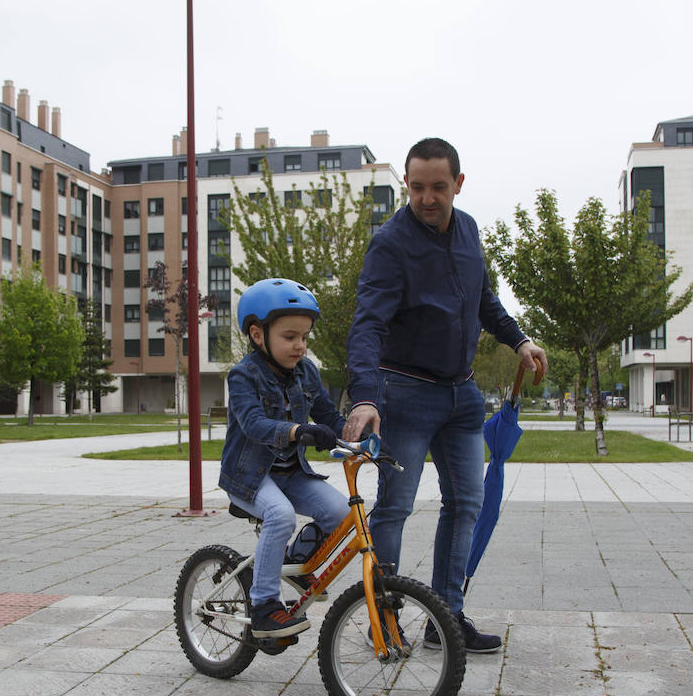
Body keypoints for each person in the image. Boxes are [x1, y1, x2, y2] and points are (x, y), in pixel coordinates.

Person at [344, 137, 547, 653]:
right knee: (396, 508)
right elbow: (367, 324)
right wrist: (365, 397)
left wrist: (519, 340)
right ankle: (383, 619)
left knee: (466, 504)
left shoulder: (469, 229)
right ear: (407, 185)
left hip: (461, 395)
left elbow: (482, 299)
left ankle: (446, 618)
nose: (427, 198)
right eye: (416, 187)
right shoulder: (390, 244)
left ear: (458, 183)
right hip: (404, 392)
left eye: (438, 187)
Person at [219, 278, 350, 639]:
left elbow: (327, 414)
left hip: (290, 473)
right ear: (258, 335)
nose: (300, 346)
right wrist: (297, 431)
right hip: (248, 477)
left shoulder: (306, 371)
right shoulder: (243, 375)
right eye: (290, 337)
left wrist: (357, 436)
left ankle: (294, 559)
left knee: (341, 513)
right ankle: (264, 606)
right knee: (280, 515)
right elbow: (254, 423)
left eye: (305, 337)